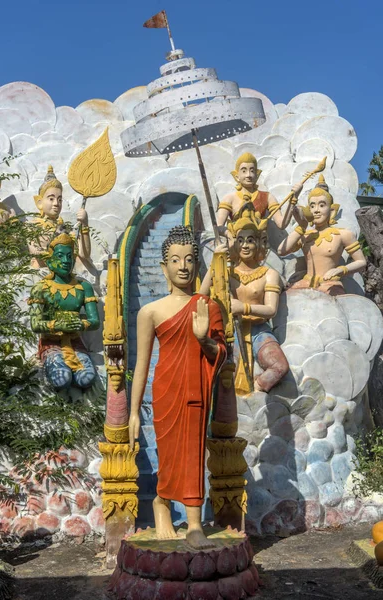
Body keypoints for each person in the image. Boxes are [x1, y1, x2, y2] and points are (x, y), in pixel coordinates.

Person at [128, 225, 226, 549]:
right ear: (163, 266)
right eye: (175, 259)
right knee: (169, 454)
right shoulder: (150, 312)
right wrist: (132, 415)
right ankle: (161, 503)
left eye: (189, 259)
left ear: (197, 265)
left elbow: (220, 352)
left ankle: (195, 522)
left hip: (195, 387)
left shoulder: (208, 308)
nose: (182, 265)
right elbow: (141, 365)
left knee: (194, 451)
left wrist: (203, 339)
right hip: (166, 389)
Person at [201, 212, 289, 395]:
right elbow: (200, 297)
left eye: (250, 240)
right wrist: (216, 261)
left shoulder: (268, 274)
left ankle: (254, 394)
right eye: (240, 240)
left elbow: (271, 309)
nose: (245, 245)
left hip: (258, 330)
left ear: (258, 243)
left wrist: (244, 308)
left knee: (280, 366)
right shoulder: (227, 272)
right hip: (230, 330)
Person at [29, 232, 99, 390]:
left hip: (75, 343)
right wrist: (58, 325)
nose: (66, 261)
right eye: (60, 256)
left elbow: (95, 322)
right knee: (62, 378)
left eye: (69, 256)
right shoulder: (41, 288)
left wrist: (81, 324)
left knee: (86, 378)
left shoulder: (84, 287)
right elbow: (35, 324)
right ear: (49, 260)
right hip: (50, 343)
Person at [277, 175, 366, 295]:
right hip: (306, 282)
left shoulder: (343, 234)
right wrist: (301, 227)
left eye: (322, 205)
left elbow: (361, 262)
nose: (316, 210)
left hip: (330, 284)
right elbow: (281, 251)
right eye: (312, 206)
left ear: (332, 210)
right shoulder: (306, 235)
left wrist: (341, 270)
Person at [216, 152, 302, 233]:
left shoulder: (267, 197)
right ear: (237, 176)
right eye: (244, 171)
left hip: (259, 246)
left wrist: (293, 199)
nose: (248, 175)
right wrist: (230, 234)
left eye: (252, 171)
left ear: (257, 175)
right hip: (237, 245)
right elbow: (219, 227)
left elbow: (281, 224)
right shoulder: (229, 198)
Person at [30, 165, 91, 267]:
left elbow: (84, 255)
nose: (56, 203)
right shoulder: (32, 226)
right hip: (43, 271)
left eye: (59, 200)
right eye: (51, 199)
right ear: (39, 202)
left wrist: (84, 226)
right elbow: (34, 250)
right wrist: (55, 256)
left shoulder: (64, 228)